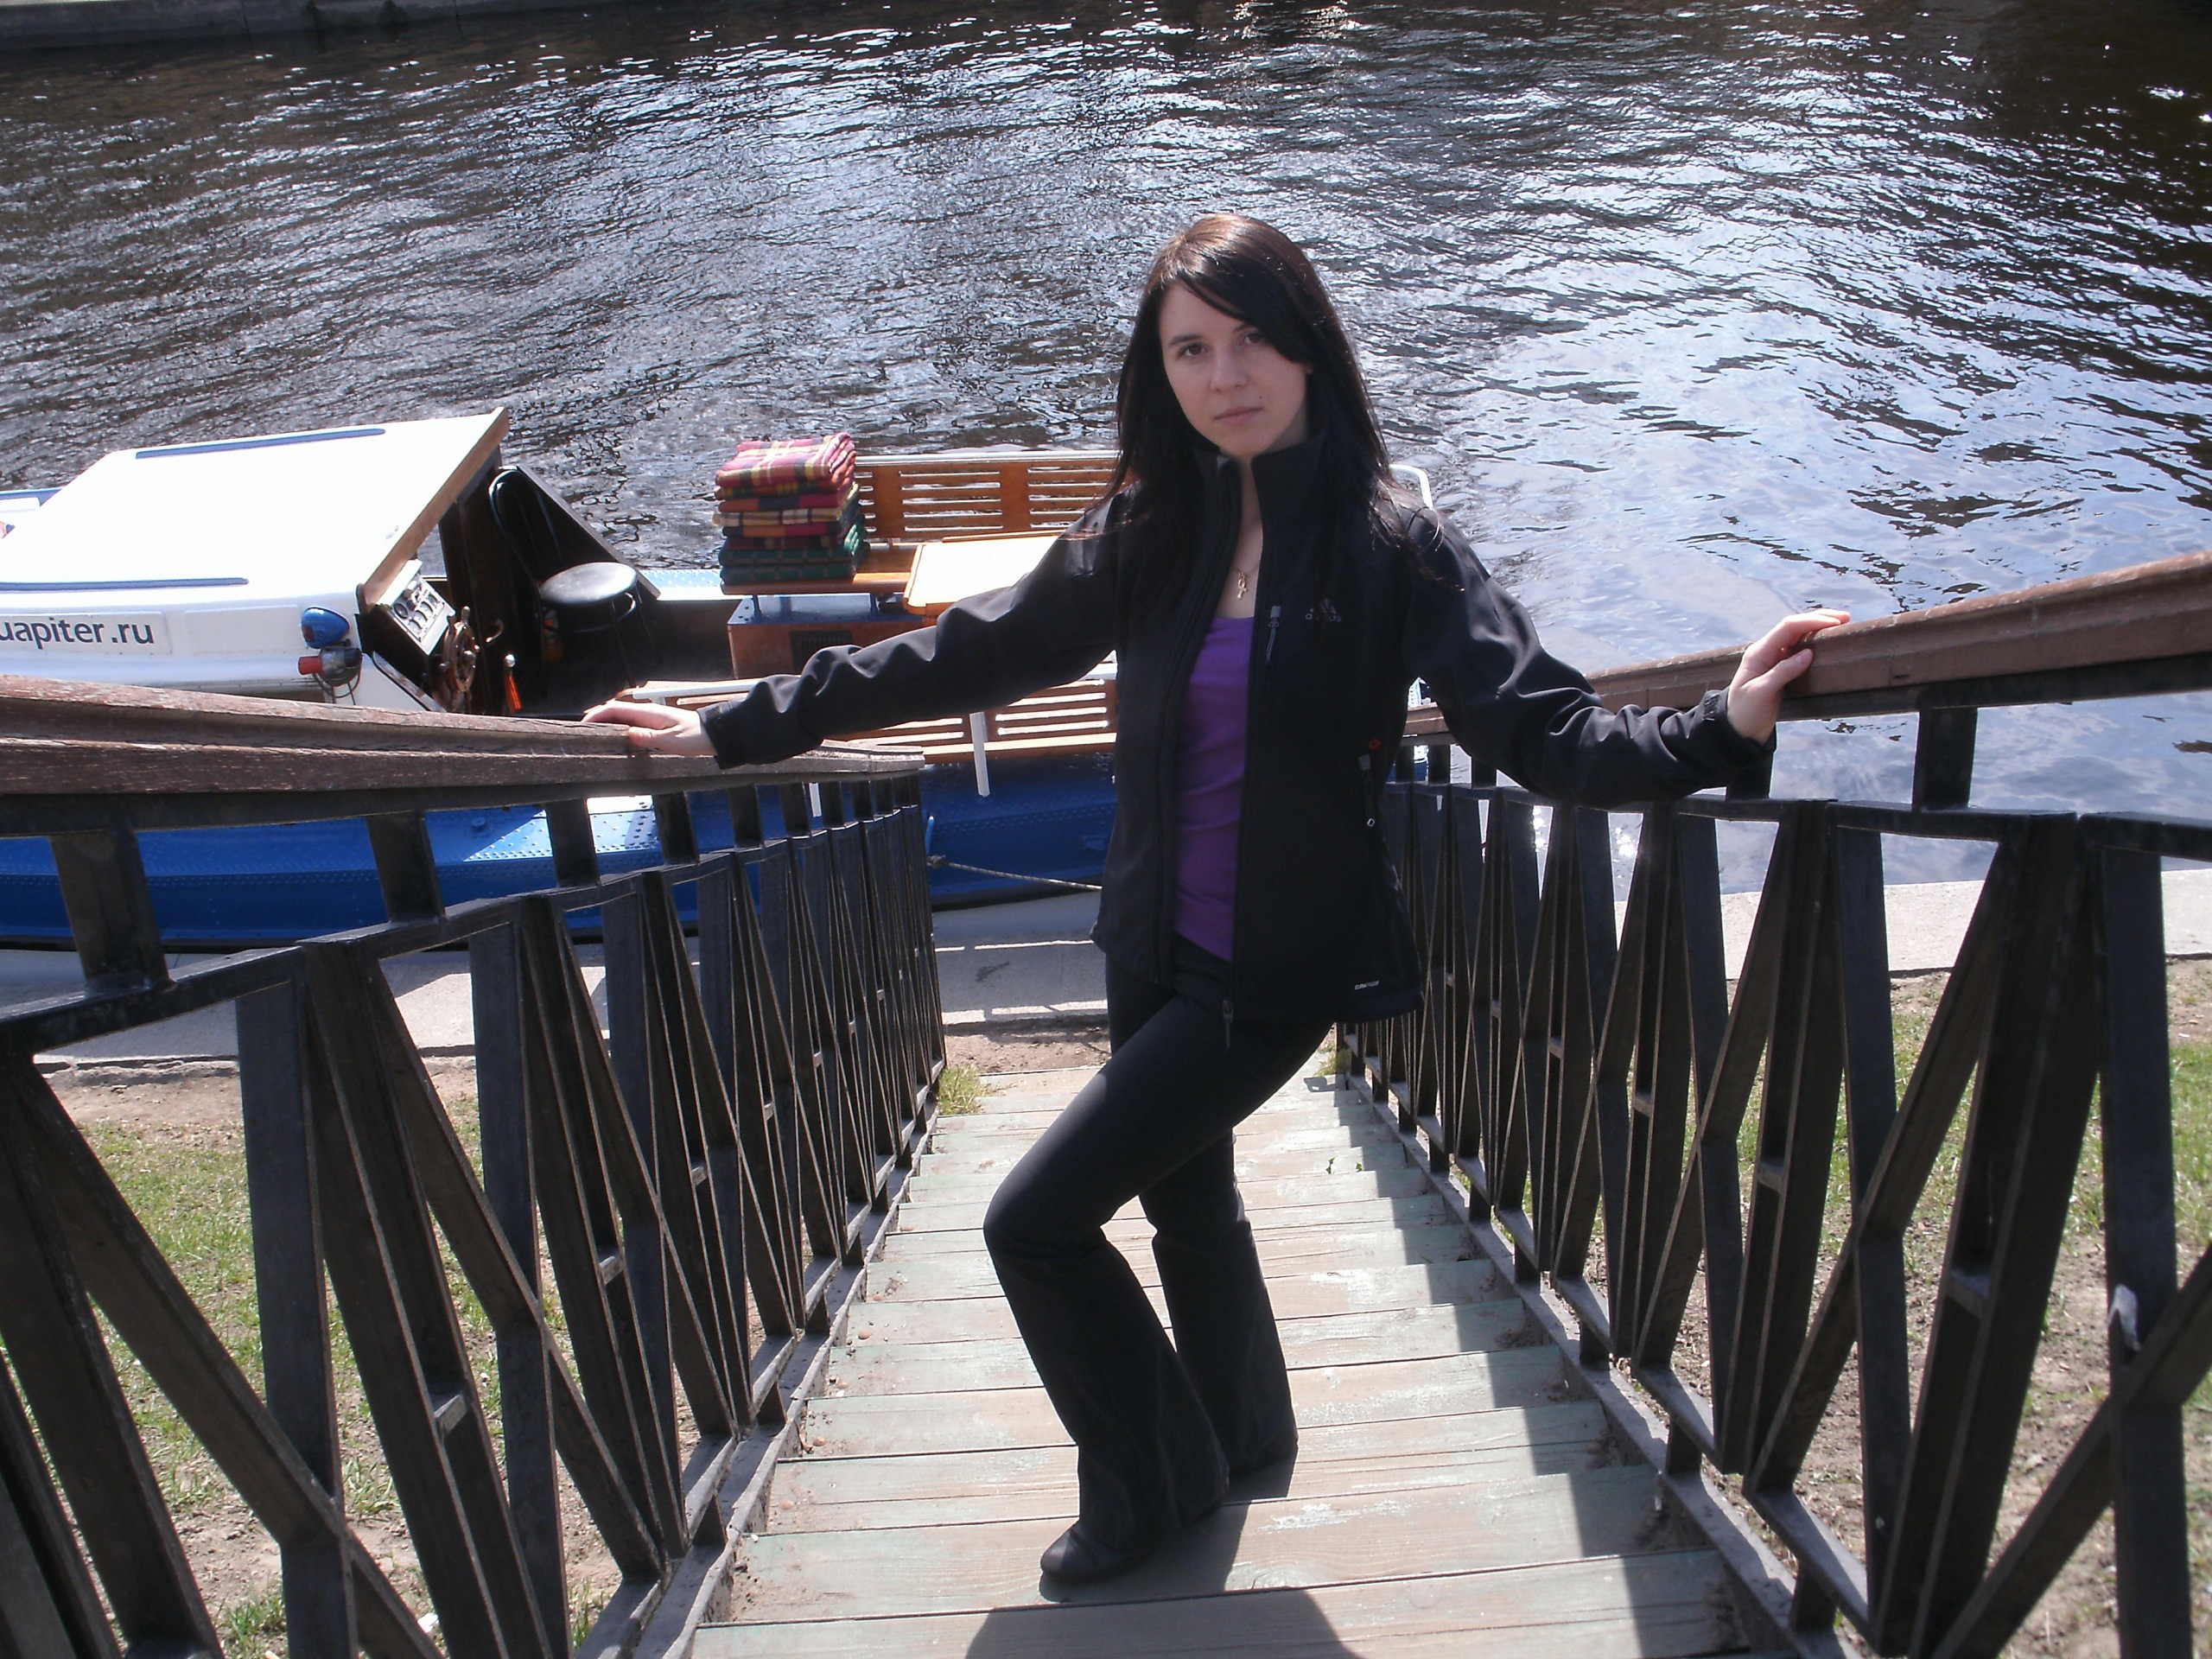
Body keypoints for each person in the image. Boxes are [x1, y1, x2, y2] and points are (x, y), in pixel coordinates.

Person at [584, 213, 1847, 1586]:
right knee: (1189, 1203)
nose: (1225, 375)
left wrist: (1721, 727)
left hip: (1276, 965)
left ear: (1310, 347)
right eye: (1191, 349)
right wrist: (735, 724)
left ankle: (1152, 1487)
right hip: (1147, 937)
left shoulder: (1393, 546)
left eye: (1252, 339)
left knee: (1034, 1223)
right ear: (1160, 368)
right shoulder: (1154, 529)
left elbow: (1544, 730)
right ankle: (1243, 1432)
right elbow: (965, 654)